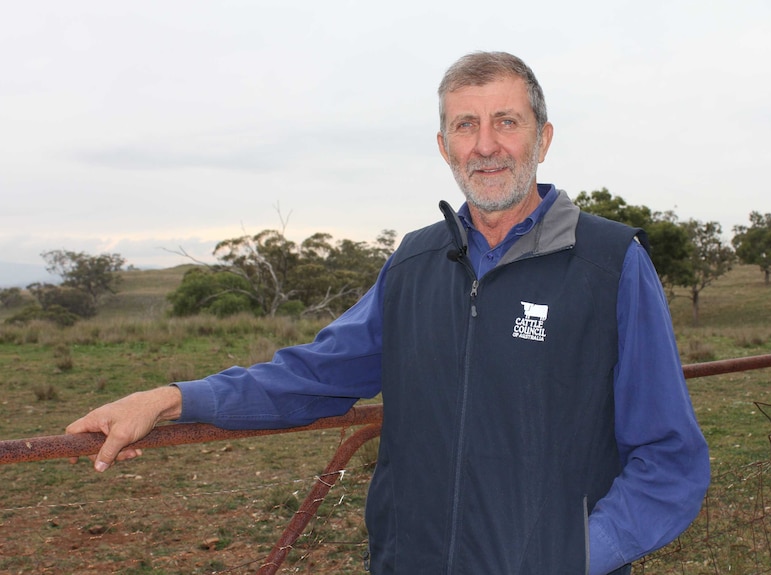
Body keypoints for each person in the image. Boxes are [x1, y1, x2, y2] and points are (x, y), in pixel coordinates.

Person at [67, 51, 710, 575]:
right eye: (465, 126)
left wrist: (575, 556)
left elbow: (670, 457)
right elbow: (314, 375)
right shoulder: (414, 263)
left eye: (506, 122)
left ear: (542, 137)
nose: (486, 146)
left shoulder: (608, 263)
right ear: (443, 145)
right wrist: (171, 398)